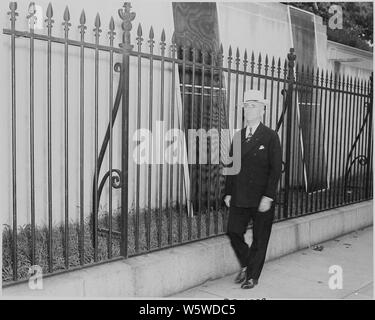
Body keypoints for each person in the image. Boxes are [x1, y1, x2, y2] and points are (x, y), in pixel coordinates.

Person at [223, 89, 282, 289]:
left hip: (261, 197)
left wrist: (268, 196)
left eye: (253, 106)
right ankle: (248, 263)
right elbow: (232, 166)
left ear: (262, 110)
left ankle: (252, 276)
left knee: (260, 238)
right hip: (240, 195)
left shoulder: (270, 137)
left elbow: (276, 170)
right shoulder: (238, 136)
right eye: (246, 106)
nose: (249, 110)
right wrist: (228, 192)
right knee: (233, 231)